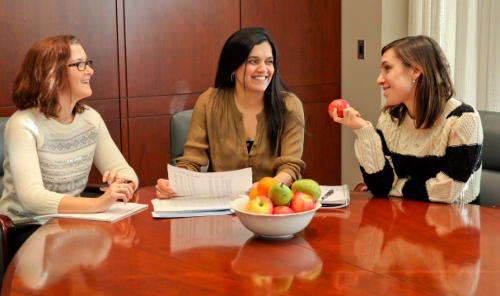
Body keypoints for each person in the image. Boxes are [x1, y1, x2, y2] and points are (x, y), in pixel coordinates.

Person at [0, 35, 139, 231]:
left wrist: (123, 185)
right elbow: (32, 199)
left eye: (87, 63)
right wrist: (98, 204)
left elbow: (127, 173)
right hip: (26, 227)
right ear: (51, 74)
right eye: (79, 64)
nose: (90, 70)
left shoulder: (91, 119)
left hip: (73, 223)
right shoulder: (23, 124)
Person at [156, 27, 305, 198]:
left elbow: (290, 167)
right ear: (233, 66)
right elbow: (191, 161)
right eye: (253, 61)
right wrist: (172, 184)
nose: (264, 69)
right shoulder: (209, 102)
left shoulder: (289, 106)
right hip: (222, 207)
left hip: (272, 204)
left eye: (269, 62)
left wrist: (267, 187)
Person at [332, 36, 482, 204]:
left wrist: (397, 187)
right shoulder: (390, 118)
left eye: (387, 68)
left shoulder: (463, 119)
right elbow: (381, 187)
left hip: (455, 224)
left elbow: (444, 193)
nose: (379, 79)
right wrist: (364, 132)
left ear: (415, 71)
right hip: (404, 220)